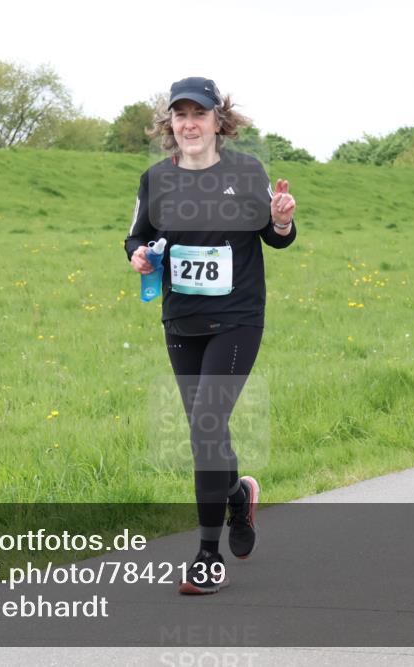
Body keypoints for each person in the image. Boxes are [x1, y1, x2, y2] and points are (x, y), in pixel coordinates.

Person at [124, 77, 297, 594]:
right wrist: (136, 255)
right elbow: (137, 234)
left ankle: (205, 556)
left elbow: (274, 235)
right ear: (169, 125)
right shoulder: (156, 179)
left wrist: (282, 221)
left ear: (218, 121)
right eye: (179, 116)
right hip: (181, 319)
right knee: (208, 430)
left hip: (238, 317)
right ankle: (239, 497)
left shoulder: (246, 172)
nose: (188, 124)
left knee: (204, 423)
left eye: (198, 114)